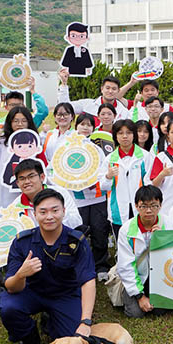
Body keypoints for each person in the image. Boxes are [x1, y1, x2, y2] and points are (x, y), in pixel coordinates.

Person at [0, 188, 96, 344]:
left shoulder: (77, 241)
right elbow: (11, 286)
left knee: (74, 339)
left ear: (64, 211)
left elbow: (88, 280)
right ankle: (30, 341)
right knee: (8, 307)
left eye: (55, 210)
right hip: (32, 292)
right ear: (34, 214)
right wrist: (21, 273)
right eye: (43, 212)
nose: (49, 216)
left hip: (65, 295)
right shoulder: (22, 241)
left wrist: (86, 321)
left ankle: (50, 320)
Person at [0, 158, 81, 316]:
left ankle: (56, 301)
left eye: (31, 176)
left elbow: (77, 222)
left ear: (42, 177)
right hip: (27, 256)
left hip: (59, 248)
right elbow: (6, 239)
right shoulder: (14, 207)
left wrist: (50, 219)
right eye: (21, 179)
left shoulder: (59, 194)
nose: (27, 182)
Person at [114, 185, 170, 318]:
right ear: (136, 206)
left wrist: (163, 238)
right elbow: (125, 265)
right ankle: (130, 294)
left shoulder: (168, 223)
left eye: (154, 206)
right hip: (137, 275)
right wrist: (139, 296)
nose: (149, 210)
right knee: (136, 313)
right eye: (143, 206)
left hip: (159, 276)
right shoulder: (126, 230)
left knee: (160, 310)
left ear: (160, 205)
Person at [67, 113, 111, 280]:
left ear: (94, 128)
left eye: (89, 125)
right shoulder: (66, 147)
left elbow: (103, 169)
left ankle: (100, 266)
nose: (85, 127)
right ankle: (79, 265)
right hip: (77, 198)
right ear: (75, 126)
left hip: (98, 196)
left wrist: (93, 180)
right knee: (79, 232)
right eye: (82, 124)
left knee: (100, 231)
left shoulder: (96, 149)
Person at [0, 105, 45, 209]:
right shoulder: (1, 143)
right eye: (15, 121)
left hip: (31, 193)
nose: (20, 124)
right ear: (10, 123)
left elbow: (44, 168)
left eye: (24, 121)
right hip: (5, 194)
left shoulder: (35, 142)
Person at [102, 119, 153, 238]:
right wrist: (108, 176)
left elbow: (150, 182)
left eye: (129, 133)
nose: (125, 136)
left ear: (134, 135)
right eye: (120, 133)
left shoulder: (145, 156)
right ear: (115, 136)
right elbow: (103, 186)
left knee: (144, 242)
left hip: (142, 205)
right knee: (122, 244)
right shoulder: (109, 159)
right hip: (118, 207)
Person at [58, 70, 131, 120]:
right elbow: (65, 107)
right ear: (102, 89)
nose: (110, 91)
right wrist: (64, 84)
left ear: (118, 91)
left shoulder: (123, 112)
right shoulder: (87, 104)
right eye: (107, 88)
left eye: (114, 89)